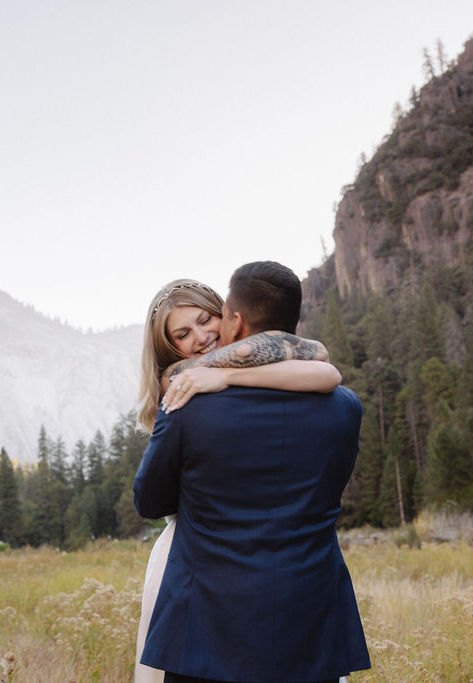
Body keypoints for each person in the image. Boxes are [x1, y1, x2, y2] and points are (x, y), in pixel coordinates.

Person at [134, 262, 371, 683]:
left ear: (232, 319)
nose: (202, 337)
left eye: (208, 319)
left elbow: (150, 501)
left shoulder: (185, 407)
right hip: (309, 611)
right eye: (182, 334)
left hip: (206, 616)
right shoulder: (345, 406)